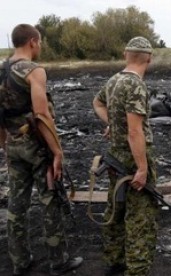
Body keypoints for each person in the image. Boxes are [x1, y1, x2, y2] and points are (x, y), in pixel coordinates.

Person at [0, 24, 83, 275]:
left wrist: (4, 145)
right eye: (41, 42)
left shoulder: (1, 70)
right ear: (33, 42)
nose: (41, 46)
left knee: (17, 203)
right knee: (50, 199)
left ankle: (20, 261)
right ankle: (58, 261)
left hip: (12, 143)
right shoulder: (33, 71)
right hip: (36, 145)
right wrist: (57, 151)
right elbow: (41, 114)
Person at [93, 36, 158, 276]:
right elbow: (134, 130)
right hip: (132, 157)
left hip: (114, 157)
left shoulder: (113, 81)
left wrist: (113, 123)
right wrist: (142, 168)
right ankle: (137, 269)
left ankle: (115, 258)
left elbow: (97, 103)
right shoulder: (136, 85)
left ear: (124, 55)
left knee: (116, 207)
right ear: (149, 58)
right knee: (140, 215)